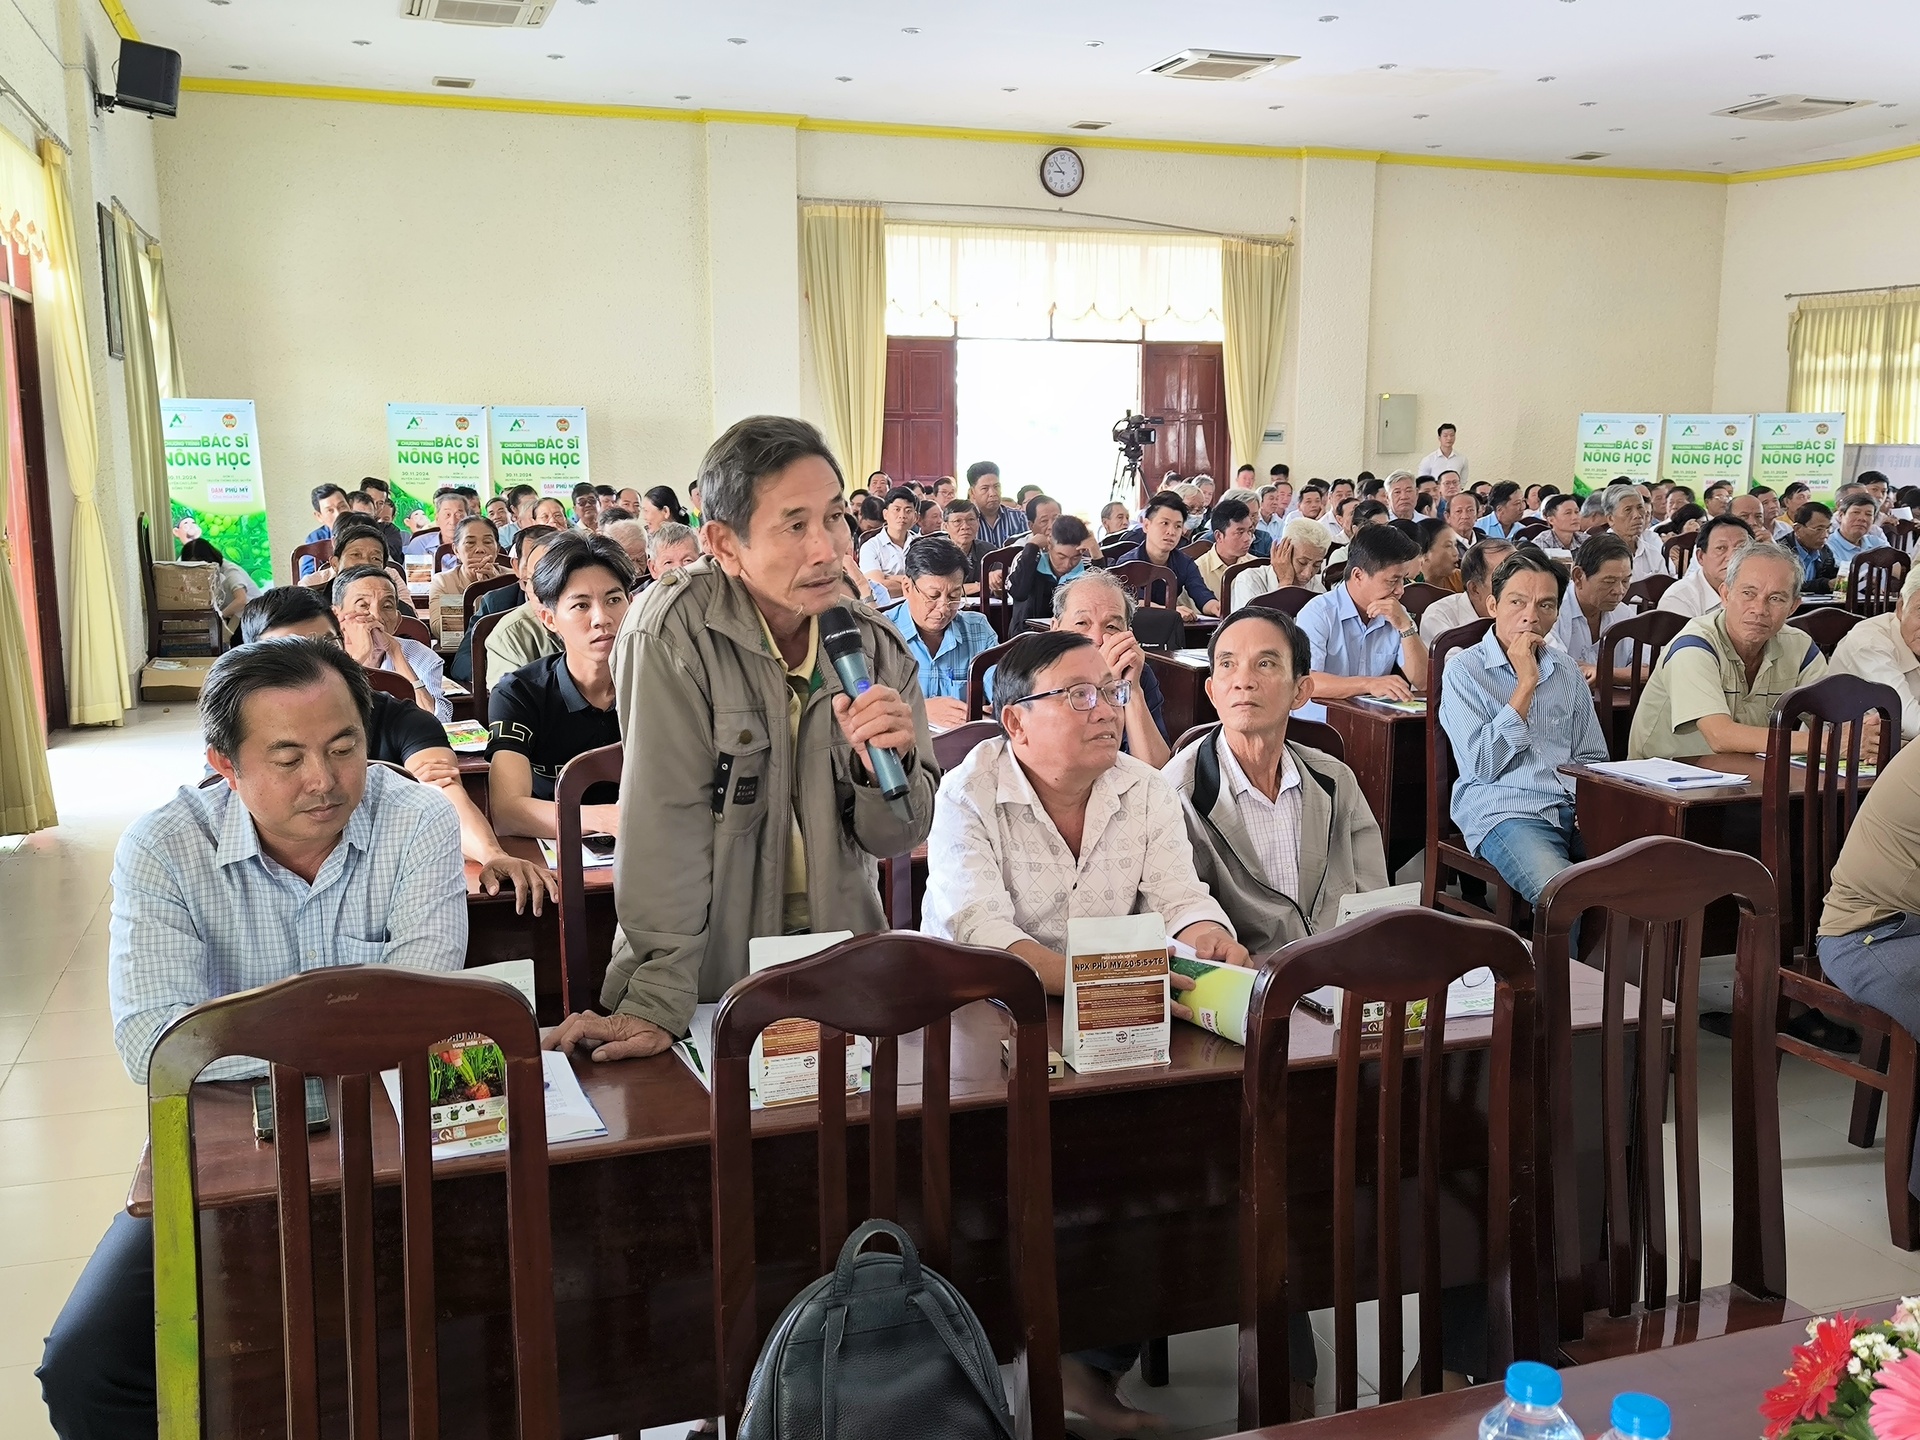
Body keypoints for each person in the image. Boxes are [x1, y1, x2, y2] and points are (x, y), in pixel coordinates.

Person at [38, 639, 467, 1440]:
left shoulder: (415, 823)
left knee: (487, 1327)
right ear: (225, 765)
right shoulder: (166, 848)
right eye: (288, 756)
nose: (326, 780)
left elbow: (423, 1013)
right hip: (229, 1165)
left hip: (394, 1157)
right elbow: (154, 1042)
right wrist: (347, 1028)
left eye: (345, 747)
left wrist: (246, 1035)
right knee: (90, 1371)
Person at [921, 627, 1254, 1429]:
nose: (1106, 709)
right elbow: (983, 935)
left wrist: (1205, 935)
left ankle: (1090, 1364)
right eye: (1079, 695)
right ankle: (1010, 1358)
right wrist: (1117, 977)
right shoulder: (968, 791)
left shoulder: (1141, 788)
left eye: (1110, 691)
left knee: (1185, 1141)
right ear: (1016, 721)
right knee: (1018, 1173)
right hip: (982, 1031)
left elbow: (1182, 896)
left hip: (1116, 1020)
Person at [543, 415, 936, 1064]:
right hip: (715, 979)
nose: (828, 549)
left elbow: (899, 834)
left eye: (835, 517)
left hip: (842, 967)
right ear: (723, 544)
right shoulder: (671, 634)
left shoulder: (869, 643)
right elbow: (664, 827)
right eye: (794, 524)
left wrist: (879, 770)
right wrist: (656, 1001)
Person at [242, 586, 558, 910]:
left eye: (326, 647)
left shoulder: (403, 719)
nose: (313, 667)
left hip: (382, 884)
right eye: (288, 655)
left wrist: (492, 855)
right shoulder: (240, 737)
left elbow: (444, 791)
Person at [1165, 607, 1386, 948]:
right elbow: (1178, 916)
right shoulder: (1178, 793)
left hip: (1341, 975)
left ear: (1300, 692)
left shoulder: (1335, 779)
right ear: (1212, 692)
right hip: (1247, 984)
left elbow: (1376, 902)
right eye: (1227, 664)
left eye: (1265, 663)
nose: (1243, 680)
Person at [1438, 549, 1609, 907]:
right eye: (1517, 602)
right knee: (1565, 898)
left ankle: (1600, 966)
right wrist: (1525, 684)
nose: (1530, 617)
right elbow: (1483, 765)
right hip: (1505, 811)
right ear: (1492, 606)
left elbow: (1592, 757)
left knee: (1643, 882)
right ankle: (1560, 967)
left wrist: (1587, 809)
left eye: (1545, 606)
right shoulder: (1463, 671)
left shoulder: (1565, 670)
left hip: (1571, 809)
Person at [486, 533, 631, 840]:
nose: (601, 618)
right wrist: (607, 818)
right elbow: (507, 812)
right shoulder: (519, 693)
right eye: (580, 605)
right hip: (554, 850)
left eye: (614, 600)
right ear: (549, 619)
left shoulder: (660, 684)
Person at [1628, 541, 1830, 760]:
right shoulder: (1693, 646)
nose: (1759, 609)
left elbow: (1834, 718)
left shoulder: (1799, 646)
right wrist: (1825, 742)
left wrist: (1863, 733)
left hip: (1747, 776)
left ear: (1793, 607)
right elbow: (1719, 735)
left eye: (1776, 599)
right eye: (1748, 593)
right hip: (1661, 782)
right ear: (1725, 594)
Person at [1295, 522, 1428, 700]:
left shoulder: (1395, 613)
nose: (1400, 590)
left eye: (1403, 580)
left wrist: (1406, 627)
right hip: (1321, 723)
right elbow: (1307, 681)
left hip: (1373, 720)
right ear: (1358, 575)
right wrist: (1368, 684)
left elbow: (1424, 682)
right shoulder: (1319, 612)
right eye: (1392, 581)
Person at [882, 534, 999, 730]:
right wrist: (919, 709)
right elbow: (862, 702)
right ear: (907, 587)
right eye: (933, 596)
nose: (944, 608)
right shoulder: (881, 634)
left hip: (962, 750)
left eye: (954, 596)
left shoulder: (978, 629)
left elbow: (998, 683)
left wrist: (1002, 702)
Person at [333, 566, 449, 720]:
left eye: (387, 606)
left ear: (397, 621)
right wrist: (360, 656)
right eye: (363, 605)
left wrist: (395, 652)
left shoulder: (422, 657)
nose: (376, 616)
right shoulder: (319, 656)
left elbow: (439, 721)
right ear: (336, 616)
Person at [449, 523, 554, 684]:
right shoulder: (496, 603)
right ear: (516, 567)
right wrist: (501, 666)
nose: (544, 576)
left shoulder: (583, 605)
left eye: (552, 565)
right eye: (533, 566)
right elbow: (462, 662)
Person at [1830, 568, 1920, 741]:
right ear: (1901, 608)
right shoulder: (1870, 642)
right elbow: (1909, 724)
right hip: (1833, 754)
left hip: (1897, 751)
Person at [1116, 492, 1219, 616]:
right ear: (1146, 525)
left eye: (1178, 526)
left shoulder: (1184, 563)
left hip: (1169, 630)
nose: (1171, 532)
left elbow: (1202, 595)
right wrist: (1169, 610)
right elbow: (1133, 602)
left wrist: (1215, 607)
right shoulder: (1127, 563)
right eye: (1165, 523)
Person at [1550, 533, 1635, 679]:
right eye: (1609, 581)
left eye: (1625, 581)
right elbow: (1556, 669)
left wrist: (1603, 673)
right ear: (1578, 576)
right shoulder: (1552, 611)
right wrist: (1623, 676)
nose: (1619, 591)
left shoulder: (1625, 615)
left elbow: (1651, 670)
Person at [425, 514, 509, 645]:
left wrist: (494, 587)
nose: (480, 549)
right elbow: (438, 628)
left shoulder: (513, 578)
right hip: (463, 647)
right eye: (470, 543)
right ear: (456, 550)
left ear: (497, 549)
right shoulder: (443, 581)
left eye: (487, 542)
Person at [1419, 538, 1516, 645]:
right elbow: (1453, 661)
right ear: (1475, 589)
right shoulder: (1439, 616)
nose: (1519, 585)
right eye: (1504, 579)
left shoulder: (1529, 611)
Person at [1659, 514, 1754, 620]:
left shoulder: (1762, 589)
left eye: (1741, 547)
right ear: (1700, 557)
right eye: (1721, 548)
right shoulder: (1679, 599)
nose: (1732, 556)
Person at [1008, 514, 1094, 629]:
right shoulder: (1030, 559)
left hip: (1070, 638)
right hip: (1028, 636)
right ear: (1049, 544)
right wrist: (1031, 547)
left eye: (1075, 558)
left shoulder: (1088, 569)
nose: (1068, 564)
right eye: (1061, 556)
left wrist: (1097, 556)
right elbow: (1019, 593)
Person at [1233, 516, 1330, 611]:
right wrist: (1285, 584)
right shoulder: (1250, 579)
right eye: (1302, 562)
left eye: (1316, 565)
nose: (1307, 574)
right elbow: (1254, 626)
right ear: (1281, 551)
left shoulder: (1316, 588)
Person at [177, 537, 260, 634]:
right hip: (235, 617)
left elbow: (241, 601)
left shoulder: (229, 571)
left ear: (208, 560)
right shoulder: (207, 575)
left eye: (197, 565)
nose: (196, 571)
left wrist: (219, 616)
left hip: (253, 618)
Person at [859, 485, 921, 596]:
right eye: (897, 510)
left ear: (915, 517)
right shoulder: (871, 546)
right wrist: (916, 585)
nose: (902, 516)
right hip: (885, 609)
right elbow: (877, 587)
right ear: (885, 514)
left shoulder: (922, 544)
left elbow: (932, 581)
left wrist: (889, 577)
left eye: (908, 511)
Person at [1598, 481, 1666, 582]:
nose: (1637, 515)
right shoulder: (1599, 553)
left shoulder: (1652, 552)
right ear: (1611, 519)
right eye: (1628, 510)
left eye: (1640, 508)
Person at [1195, 496, 1258, 597]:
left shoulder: (1256, 566)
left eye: (1249, 531)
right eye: (1240, 532)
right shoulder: (1198, 571)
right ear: (1219, 536)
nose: (1247, 538)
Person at [967, 461, 1029, 549]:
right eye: (985, 488)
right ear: (972, 492)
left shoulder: (1019, 518)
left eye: (996, 487)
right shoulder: (966, 523)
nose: (993, 493)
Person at [1786, 501, 1840, 595]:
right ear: (1798, 529)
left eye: (1828, 529)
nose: (1825, 535)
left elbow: (1831, 577)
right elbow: (1788, 585)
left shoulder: (1825, 552)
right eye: (1819, 529)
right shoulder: (1781, 551)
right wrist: (1825, 585)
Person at [1827, 487, 1882, 574]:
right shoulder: (1828, 546)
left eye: (1868, 514)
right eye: (1856, 512)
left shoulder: (1876, 543)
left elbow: (1897, 566)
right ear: (1841, 515)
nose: (1862, 518)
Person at [402, 486, 467, 557]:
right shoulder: (419, 544)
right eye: (447, 514)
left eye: (459, 515)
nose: (453, 521)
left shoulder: (476, 546)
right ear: (437, 518)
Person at [942, 498, 989, 590]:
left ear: (978, 523)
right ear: (945, 526)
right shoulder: (936, 552)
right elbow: (942, 588)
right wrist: (980, 586)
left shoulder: (989, 552)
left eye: (970, 519)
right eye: (957, 521)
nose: (965, 526)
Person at [1412, 517, 1462, 592]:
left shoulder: (1460, 579)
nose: (1456, 553)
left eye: (1455, 545)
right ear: (1424, 553)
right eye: (1448, 546)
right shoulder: (1409, 586)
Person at [645, 520, 701, 585]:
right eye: (668, 562)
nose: (680, 570)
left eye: (687, 561)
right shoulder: (643, 595)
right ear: (653, 568)